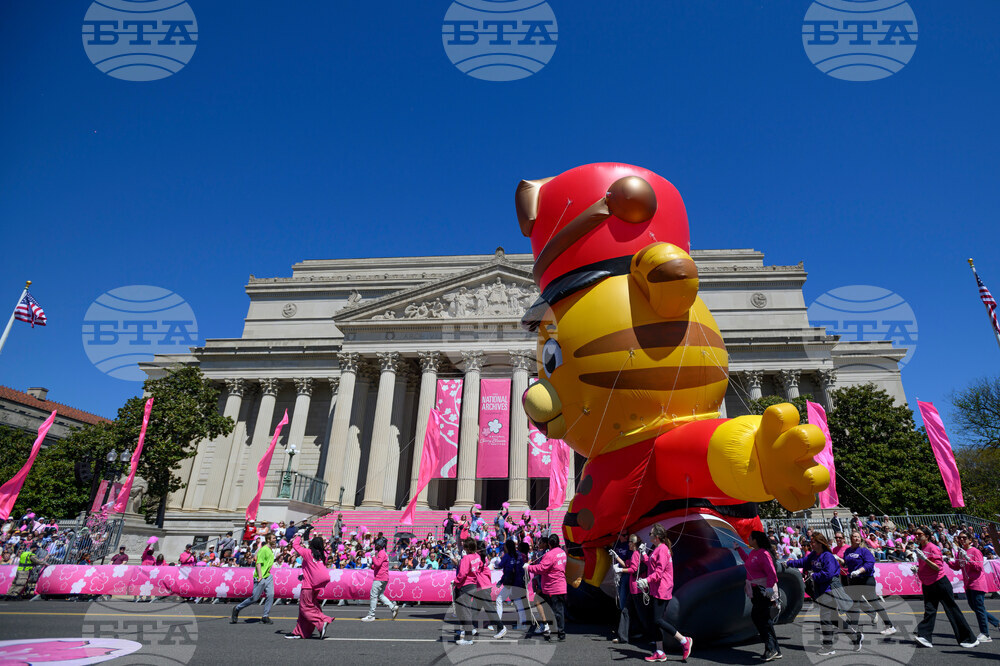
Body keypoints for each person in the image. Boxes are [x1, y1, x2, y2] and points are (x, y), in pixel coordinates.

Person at [789, 532, 861, 656]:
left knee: (825, 618)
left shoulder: (827, 556)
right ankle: (855, 637)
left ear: (820, 543)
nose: (811, 544)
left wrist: (814, 575)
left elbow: (828, 573)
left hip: (830, 590)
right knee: (834, 618)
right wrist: (788, 563)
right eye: (811, 542)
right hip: (821, 591)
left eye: (813, 542)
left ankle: (828, 646)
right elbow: (802, 562)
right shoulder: (813, 555)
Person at [908, 525, 977, 648]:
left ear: (927, 536)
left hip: (940, 583)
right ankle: (925, 637)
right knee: (929, 611)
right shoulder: (921, 547)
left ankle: (969, 639)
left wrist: (924, 559)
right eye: (916, 534)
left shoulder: (933, 548)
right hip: (928, 584)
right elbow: (925, 567)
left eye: (920, 534)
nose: (917, 536)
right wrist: (917, 568)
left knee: (952, 610)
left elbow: (937, 568)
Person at [637, 524, 693, 662]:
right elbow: (651, 564)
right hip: (656, 588)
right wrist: (643, 553)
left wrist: (646, 580)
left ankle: (684, 640)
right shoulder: (657, 549)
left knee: (657, 620)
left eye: (650, 533)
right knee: (655, 621)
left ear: (656, 537)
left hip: (662, 589)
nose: (649, 535)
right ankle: (660, 652)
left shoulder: (662, 550)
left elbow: (659, 572)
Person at [946, 530, 999, 643]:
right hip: (968, 584)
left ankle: (985, 634)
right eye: (960, 538)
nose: (961, 540)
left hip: (977, 583)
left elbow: (979, 567)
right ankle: (997, 623)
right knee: (975, 607)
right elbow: (957, 566)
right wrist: (947, 561)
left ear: (970, 540)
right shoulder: (960, 552)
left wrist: (969, 559)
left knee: (979, 608)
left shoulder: (975, 551)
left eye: (964, 538)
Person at [737, 531, 781, 661]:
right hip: (755, 590)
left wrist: (769, 587)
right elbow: (748, 562)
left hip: (763, 590)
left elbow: (772, 572)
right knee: (764, 619)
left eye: (750, 538)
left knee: (759, 617)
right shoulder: (753, 553)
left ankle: (770, 648)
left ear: (755, 540)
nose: (748, 539)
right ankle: (775, 649)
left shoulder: (764, 554)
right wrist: (738, 549)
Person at [842, 531, 896, 635]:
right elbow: (845, 563)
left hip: (866, 580)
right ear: (851, 538)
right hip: (854, 581)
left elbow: (870, 564)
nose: (857, 538)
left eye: (858, 537)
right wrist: (839, 559)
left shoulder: (864, 550)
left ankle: (890, 626)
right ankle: (854, 627)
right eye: (854, 536)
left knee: (875, 603)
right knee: (855, 604)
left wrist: (858, 571)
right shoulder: (848, 551)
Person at [287, 526, 333, 639]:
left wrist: (299, 535)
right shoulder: (324, 555)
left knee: (305, 608)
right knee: (309, 607)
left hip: (308, 585)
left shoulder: (308, 553)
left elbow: (295, 546)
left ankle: (322, 621)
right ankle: (300, 632)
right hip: (316, 585)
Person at [525, 533, 568, 642]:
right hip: (560, 585)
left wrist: (528, 567)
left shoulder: (550, 555)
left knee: (554, 611)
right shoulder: (562, 552)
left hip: (553, 587)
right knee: (558, 610)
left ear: (549, 543)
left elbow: (541, 568)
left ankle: (557, 632)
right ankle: (556, 631)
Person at [611, 534, 648, 647]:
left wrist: (620, 569)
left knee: (642, 614)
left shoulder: (636, 554)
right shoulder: (635, 554)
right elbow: (627, 564)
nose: (628, 544)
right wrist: (616, 556)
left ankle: (652, 635)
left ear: (633, 543)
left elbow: (633, 569)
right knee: (626, 611)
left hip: (637, 589)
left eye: (630, 542)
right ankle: (623, 636)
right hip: (633, 589)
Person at [232, 533, 276, 625]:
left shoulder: (271, 550)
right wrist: (260, 576)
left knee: (271, 595)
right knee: (254, 598)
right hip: (260, 577)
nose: (275, 540)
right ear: (268, 540)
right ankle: (237, 608)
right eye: (273, 538)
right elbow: (258, 563)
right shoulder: (263, 550)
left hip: (268, 576)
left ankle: (265, 616)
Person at [454, 537, 483, 645]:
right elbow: (479, 568)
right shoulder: (477, 556)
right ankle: (469, 631)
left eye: (464, 546)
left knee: (465, 611)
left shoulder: (466, 558)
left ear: (467, 547)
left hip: (465, 586)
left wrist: (456, 581)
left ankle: (468, 638)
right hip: (473, 584)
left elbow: (462, 573)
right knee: (466, 610)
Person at [362, 536, 399, 621]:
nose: (375, 545)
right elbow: (378, 565)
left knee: (373, 595)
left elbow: (378, 564)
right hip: (384, 577)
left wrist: (373, 556)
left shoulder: (381, 553)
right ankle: (393, 607)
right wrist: (371, 566)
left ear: (380, 545)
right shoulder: (383, 553)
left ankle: (371, 615)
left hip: (380, 577)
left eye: (376, 544)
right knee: (380, 595)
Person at [495, 539, 528, 629]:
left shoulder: (506, 556)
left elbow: (499, 566)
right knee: (519, 602)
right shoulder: (519, 555)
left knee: (499, 600)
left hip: (510, 583)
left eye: (505, 546)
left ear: (507, 547)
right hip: (518, 582)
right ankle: (523, 624)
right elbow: (521, 569)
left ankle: (499, 624)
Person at [609, 531, 632, 643]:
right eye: (623, 535)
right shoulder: (616, 544)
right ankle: (621, 631)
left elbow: (628, 565)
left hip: (625, 576)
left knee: (623, 604)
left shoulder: (629, 546)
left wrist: (617, 557)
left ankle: (623, 634)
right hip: (618, 576)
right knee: (619, 603)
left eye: (627, 535)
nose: (626, 537)